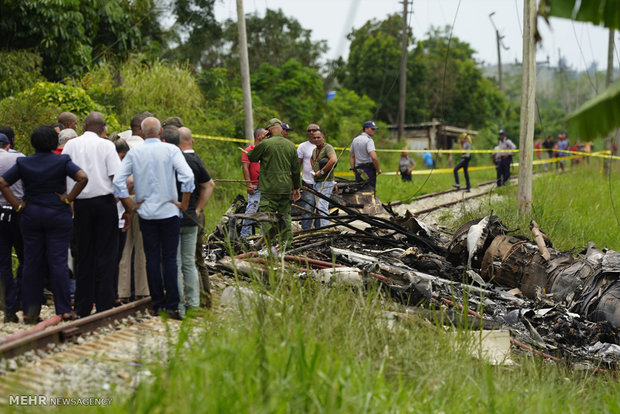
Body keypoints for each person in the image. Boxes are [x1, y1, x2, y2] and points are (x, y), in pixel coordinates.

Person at [0, 126, 88, 323]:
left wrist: (18, 205)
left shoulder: (24, 162)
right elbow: (82, 177)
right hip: (57, 213)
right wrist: (68, 198)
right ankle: (64, 309)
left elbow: (3, 183)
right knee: (58, 261)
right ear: (53, 143)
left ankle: (30, 312)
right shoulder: (62, 160)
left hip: (31, 214)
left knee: (32, 262)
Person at [113, 117, 195, 319]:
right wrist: (184, 204)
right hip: (169, 211)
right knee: (169, 259)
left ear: (141, 132)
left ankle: (158, 304)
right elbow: (188, 177)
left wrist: (130, 205)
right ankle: (174, 304)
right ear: (160, 133)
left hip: (146, 213)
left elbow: (118, 181)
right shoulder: (171, 150)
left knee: (151, 258)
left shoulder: (135, 153)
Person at [62, 111, 121, 317]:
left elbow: (64, 173)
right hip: (104, 203)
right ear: (103, 129)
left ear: (84, 126)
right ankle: (104, 305)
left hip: (79, 204)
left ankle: (82, 306)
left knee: (83, 255)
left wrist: (68, 199)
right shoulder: (107, 145)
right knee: (106, 255)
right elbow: (116, 177)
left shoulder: (70, 145)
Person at [175, 127, 215, 315]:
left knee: (183, 260)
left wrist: (193, 207)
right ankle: (203, 300)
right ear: (192, 141)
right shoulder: (197, 160)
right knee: (195, 260)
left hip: (182, 214)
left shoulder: (179, 160)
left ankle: (186, 302)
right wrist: (199, 208)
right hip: (195, 215)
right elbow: (209, 185)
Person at [247, 118, 301, 249]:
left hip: (269, 188)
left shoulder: (265, 144)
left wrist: (262, 140)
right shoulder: (291, 145)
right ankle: (286, 244)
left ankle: (268, 243)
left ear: (269, 130)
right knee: (285, 216)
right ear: (281, 129)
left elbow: (251, 157)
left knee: (267, 216)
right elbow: (295, 170)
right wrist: (297, 187)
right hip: (285, 188)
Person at [117, 113, 150, 303]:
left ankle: (121, 291)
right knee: (141, 248)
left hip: (119, 199)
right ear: (141, 129)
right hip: (139, 199)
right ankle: (141, 291)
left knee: (124, 248)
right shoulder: (143, 148)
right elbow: (131, 180)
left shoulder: (121, 142)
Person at [0, 133, 24, 323]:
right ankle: (23, 300)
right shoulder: (19, 158)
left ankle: (8, 307)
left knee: (4, 262)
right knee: (26, 258)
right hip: (19, 212)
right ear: (8, 145)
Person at [112, 137, 130, 306]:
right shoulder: (115, 170)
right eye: (123, 157)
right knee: (112, 258)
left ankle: (114, 293)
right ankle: (112, 294)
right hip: (114, 218)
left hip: (119, 218)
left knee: (117, 258)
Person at [240, 127, 267, 238]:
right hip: (254, 186)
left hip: (266, 186)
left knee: (265, 212)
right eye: (265, 135)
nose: (267, 136)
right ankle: (244, 236)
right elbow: (245, 168)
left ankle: (261, 237)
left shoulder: (266, 150)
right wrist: (249, 183)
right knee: (251, 209)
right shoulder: (249, 150)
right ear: (258, 136)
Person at [310, 130, 337, 228]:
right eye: (314, 138)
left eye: (318, 137)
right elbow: (312, 159)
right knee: (319, 206)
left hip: (325, 182)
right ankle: (322, 228)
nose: (316, 139)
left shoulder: (327, 147)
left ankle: (325, 229)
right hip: (317, 182)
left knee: (322, 206)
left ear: (323, 138)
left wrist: (321, 172)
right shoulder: (314, 150)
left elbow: (333, 160)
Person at [350, 121, 382, 191]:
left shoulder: (355, 140)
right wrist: (378, 169)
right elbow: (374, 157)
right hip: (368, 170)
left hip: (358, 170)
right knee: (370, 192)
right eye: (372, 129)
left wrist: (353, 169)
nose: (374, 131)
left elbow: (352, 156)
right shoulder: (369, 140)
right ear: (366, 129)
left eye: (374, 129)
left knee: (359, 191)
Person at [297, 123, 318, 230]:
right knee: (307, 208)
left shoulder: (324, 146)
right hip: (307, 182)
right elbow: (298, 165)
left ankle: (320, 231)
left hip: (320, 183)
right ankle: (306, 231)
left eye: (313, 130)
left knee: (320, 209)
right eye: (309, 131)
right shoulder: (302, 146)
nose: (311, 132)